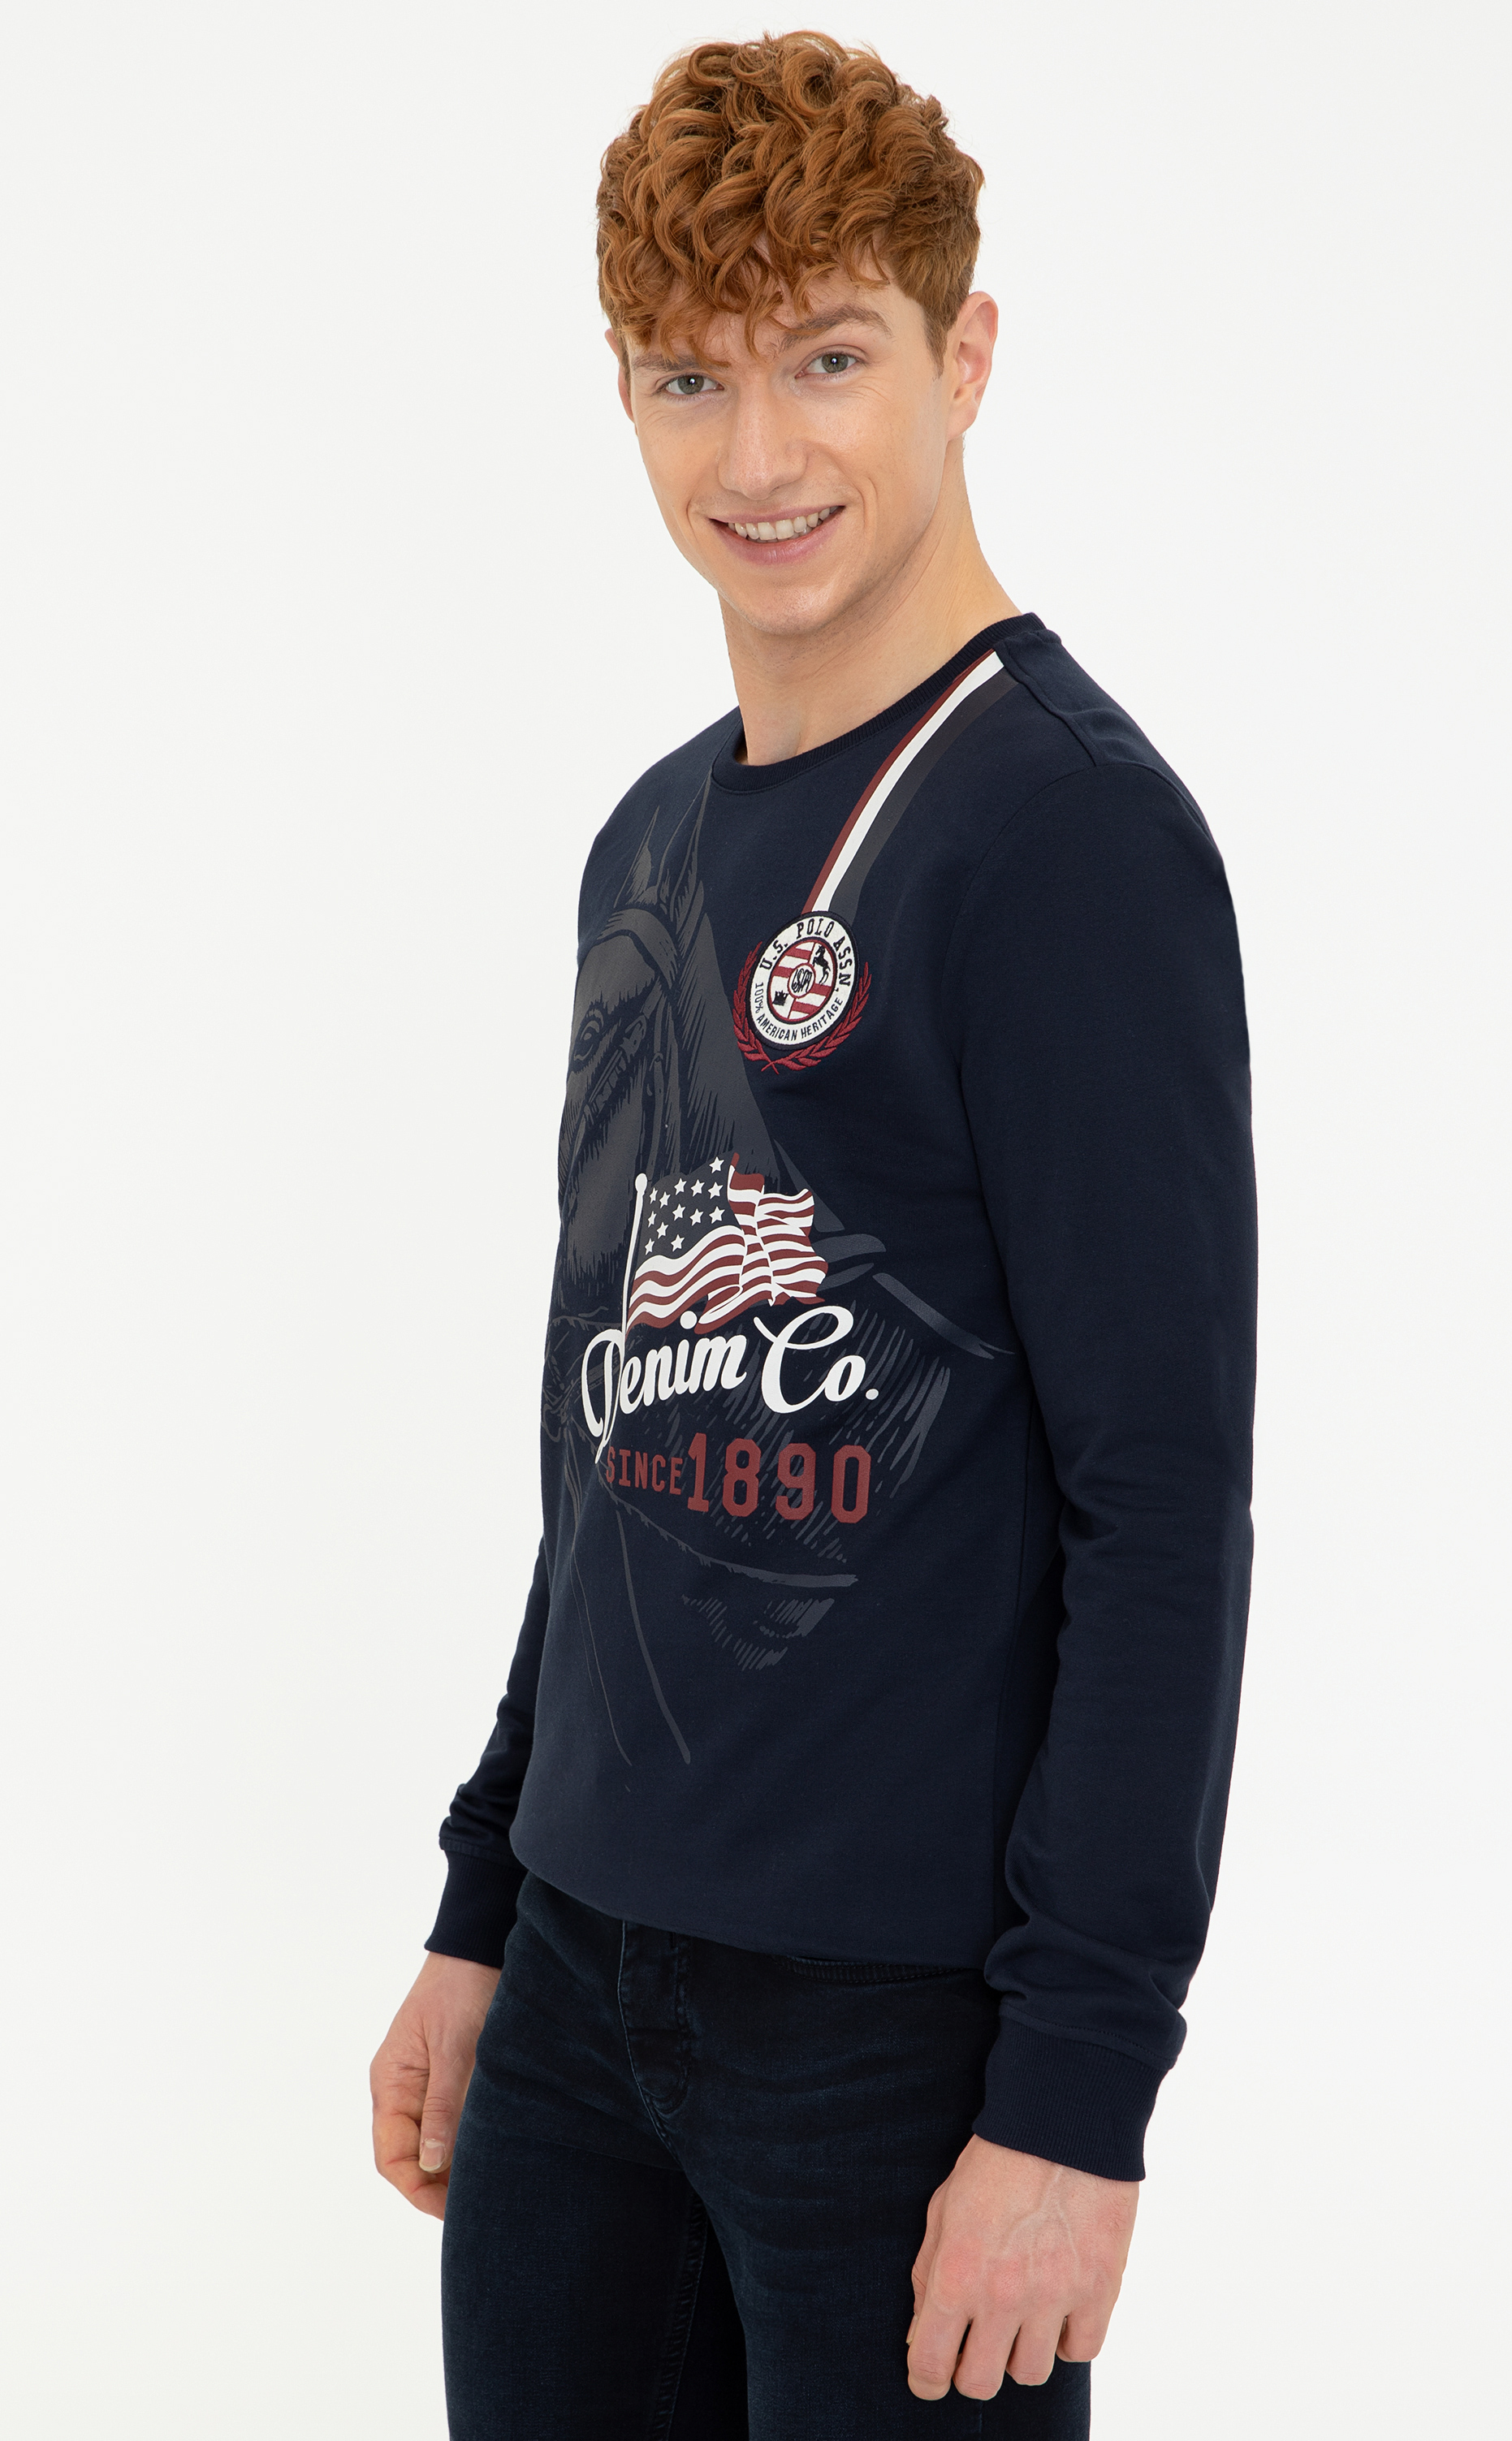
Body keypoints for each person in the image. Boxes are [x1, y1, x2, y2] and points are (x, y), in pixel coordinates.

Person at [370, 31, 1255, 2438]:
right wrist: (485, 1905)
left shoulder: (1065, 841)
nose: (757, 456)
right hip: (579, 1990)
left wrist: (1075, 2098)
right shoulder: (650, 844)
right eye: (691, 377)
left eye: (829, 358)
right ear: (625, 395)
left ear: (965, 356)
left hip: (894, 2040)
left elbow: (1160, 1509)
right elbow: (609, 1443)